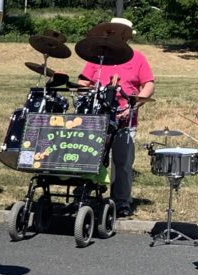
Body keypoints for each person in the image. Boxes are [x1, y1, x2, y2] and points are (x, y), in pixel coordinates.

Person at [77, 17, 154, 218]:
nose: (112, 35)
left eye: (116, 32)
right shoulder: (97, 56)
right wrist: (88, 92)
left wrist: (135, 105)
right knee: (91, 157)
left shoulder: (137, 57)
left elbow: (148, 84)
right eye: (109, 32)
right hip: (97, 116)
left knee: (122, 162)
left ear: (124, 35)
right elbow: (82, 82)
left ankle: (121, 201)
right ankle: (87, 194)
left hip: (125, 117)